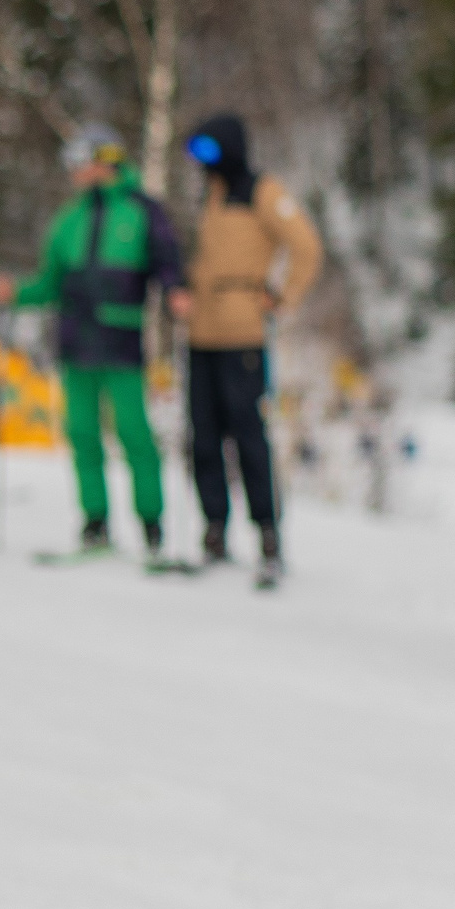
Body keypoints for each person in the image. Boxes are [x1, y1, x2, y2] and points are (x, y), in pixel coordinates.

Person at [0, 124, 184, 557]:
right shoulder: (68, 219)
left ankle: (152, 522)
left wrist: (176, 290)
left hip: (121, 338)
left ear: (105, 160)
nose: (73, 171)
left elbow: (168, 259)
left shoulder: (142, 210)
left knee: (135, 432)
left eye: (80, 161)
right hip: (75, 339)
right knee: (82, 432)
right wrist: (16, 293)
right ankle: (94, 519)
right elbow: (49, 283)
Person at [171, 114, 321, 574]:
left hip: (244, 338)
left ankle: (268, 535)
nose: (203, 164)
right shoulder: (208, 197)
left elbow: (306, 246)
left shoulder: (263, 191)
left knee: (250, 438)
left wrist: (282, 296)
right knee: (203, 437)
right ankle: (214, 530)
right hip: (201, 335)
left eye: (210, 153)